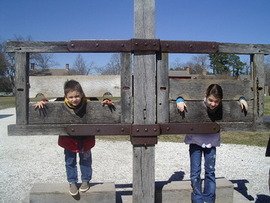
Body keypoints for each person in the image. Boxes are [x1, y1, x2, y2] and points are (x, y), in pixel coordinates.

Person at [176, 84, 248, 203]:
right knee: (195, 173)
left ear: (221, 100)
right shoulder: (199, 103)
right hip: (195, 141)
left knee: (210, 171)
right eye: (210, 100)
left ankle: (209, 199)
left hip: (211, 142)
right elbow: (180, 95)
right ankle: (198, 199)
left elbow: (239, 94)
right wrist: (179, 100)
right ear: (205, 96)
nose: (213, 104)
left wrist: (241, 99)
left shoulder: (221, 105)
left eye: (217, 101)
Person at [34, 79, 95, 196]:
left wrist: (107, 101)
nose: (74, 99)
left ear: (82, 94)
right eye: (71, 97)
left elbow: (100, 103)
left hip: (86, 139)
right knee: (70, 162)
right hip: (69, 140)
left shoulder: (88, 102)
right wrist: (42, 101)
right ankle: (72, 182)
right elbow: (50, 103)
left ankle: (86, 180)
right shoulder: (60, 102)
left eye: (77, 96)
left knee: (86, 161)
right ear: (65, 96)